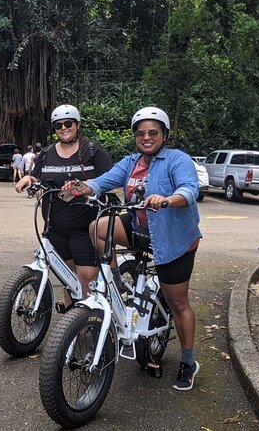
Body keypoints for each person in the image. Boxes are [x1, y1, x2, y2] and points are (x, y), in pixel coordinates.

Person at [63, 106, 203, 391]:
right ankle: (114, 285)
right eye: (141, 133)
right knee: (97, 227)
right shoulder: (131, 162)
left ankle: (188, 362)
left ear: (164, 134)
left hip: (172, 240)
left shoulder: (177, 159)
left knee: (178, 304)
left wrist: (167, 199)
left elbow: (190, 190)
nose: (146, 137)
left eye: (153, 132)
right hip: (140, 229)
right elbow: (102, 182)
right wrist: (81, 187)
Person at [15, 104, 113, 298]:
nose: (64, 128)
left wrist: (86, 186)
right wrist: (29, 179)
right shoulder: (47, 153)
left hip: (85, 227)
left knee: (87, 277)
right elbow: (37, 178)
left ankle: (90, 322)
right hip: (55, 227)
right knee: (68, 278)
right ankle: (72, 324)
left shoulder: (93, 151)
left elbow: (110, 180)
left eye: (68, 123)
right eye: (58, 125)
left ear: (77, 124)